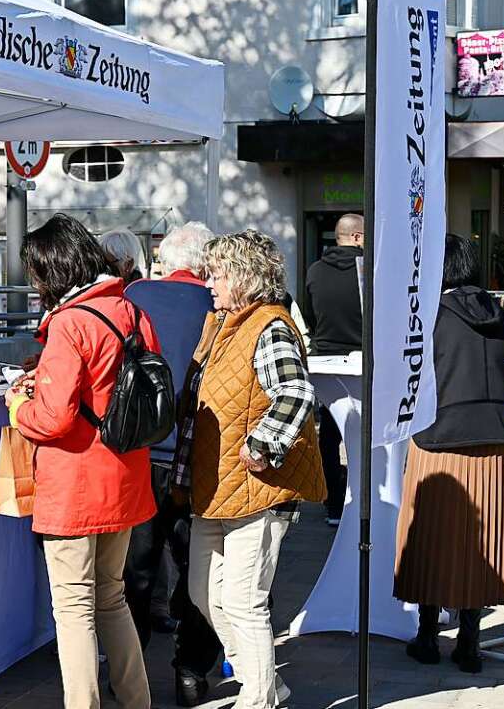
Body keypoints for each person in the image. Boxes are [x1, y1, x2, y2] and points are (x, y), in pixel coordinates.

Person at [5, 213, 157, 709]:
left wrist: (17, 405)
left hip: (76, 482)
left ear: (54, 268)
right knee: (111, 598)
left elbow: (51, 420)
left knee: (74, 609)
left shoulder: (70, 323)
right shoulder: (131, 310)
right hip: (125, 475)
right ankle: (137, 701)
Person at [174, 230, 327, 709]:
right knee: (203, 594)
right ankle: (263, 682)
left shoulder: (269, 327)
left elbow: (297, 393)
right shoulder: (220, 325)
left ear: (243, 277)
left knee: (243, 600)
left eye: (217, 273)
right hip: (215, 485)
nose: (209, 282)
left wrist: (262, 444)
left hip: (256, 488)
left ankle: (259, 698)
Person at [394, 234, 504, 674]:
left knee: (429, 533)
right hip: (497, 438)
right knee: (481, 542)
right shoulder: (498, 313)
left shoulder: (429, 314)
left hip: (439, 434)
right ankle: (470, 641)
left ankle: (428, 635)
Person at [122, 222, 222, 706]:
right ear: (205, 263)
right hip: (197, 456)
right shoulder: (219, 306)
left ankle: (131, 667)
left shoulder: (138, 294)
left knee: (137, 568)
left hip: (143, 453)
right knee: (196, 568)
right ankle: (189, 671)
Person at [304, 213, 363, 525]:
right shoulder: (370, 271)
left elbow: (309, 312)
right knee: (365, 432)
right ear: (356, 237)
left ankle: (334, 504)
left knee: (329, 433)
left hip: (326, 358)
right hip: (365, 358)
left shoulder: (315, 271)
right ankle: (364, 502)